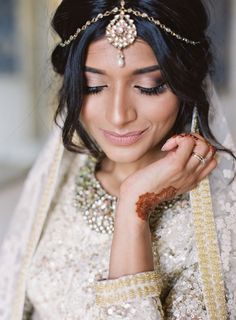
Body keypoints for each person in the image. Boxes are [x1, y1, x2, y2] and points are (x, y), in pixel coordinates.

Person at [0, 0, 235, 319]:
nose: (118, 115)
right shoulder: (64, 173)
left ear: (185, 82)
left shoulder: (221, 224)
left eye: (149, 87)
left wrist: (134, 207)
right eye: (92, 86)